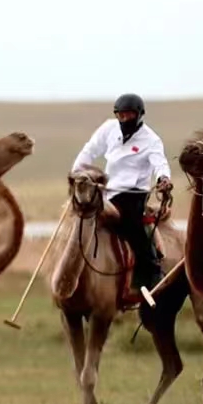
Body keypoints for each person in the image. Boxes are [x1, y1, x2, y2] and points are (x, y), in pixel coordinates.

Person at [70, 93, 173, 291]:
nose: (124, 119)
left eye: (129, 115)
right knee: (79, 214)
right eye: (121, 115)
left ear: (139, 115)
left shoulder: (151, 140)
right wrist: (76, 174)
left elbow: (160, 163)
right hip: (107, 191)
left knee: (131, 226)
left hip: (133, 194)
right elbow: (90, 150)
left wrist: (163, 179)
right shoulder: (109, 127)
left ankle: (152, 272)